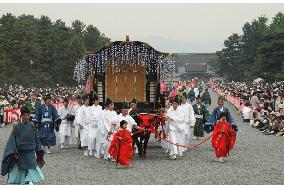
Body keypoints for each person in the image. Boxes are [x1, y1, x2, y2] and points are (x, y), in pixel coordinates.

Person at [1, 106, 45, 185]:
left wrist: (38, 151)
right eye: (24, 115)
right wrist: (14, 152)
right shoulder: (17, 127)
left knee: (30, 174)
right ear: (21, 116)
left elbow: (36, 139)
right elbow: (12, 141)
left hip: (30, 154)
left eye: (28, 115)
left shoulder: (32, 126)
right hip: (20, 155)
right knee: (18, 176)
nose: (26, 117)